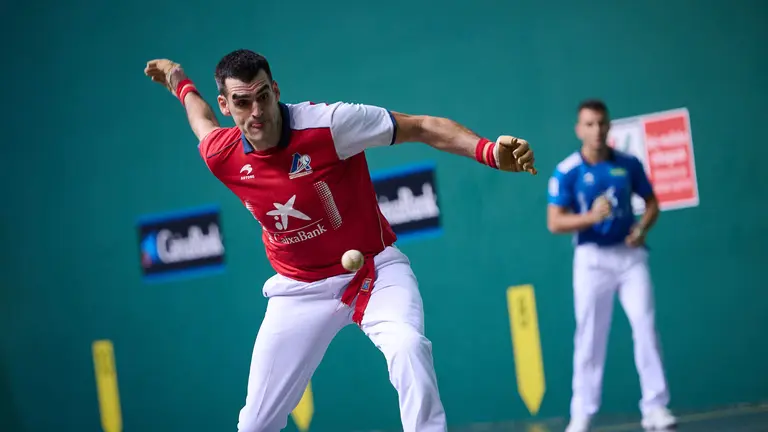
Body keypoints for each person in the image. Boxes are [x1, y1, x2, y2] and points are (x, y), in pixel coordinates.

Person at [144, 49, 537, 432]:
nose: (257, 111)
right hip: (298, 289)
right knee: (256, 423)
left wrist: (486, 151)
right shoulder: (223, 155)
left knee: (407, 345)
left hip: (375, 269)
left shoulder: (330, 124)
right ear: (227, 105)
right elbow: (201, 120)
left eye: (263, 96)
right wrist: (179, 80)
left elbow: (422, 126)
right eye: (243, 102)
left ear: (276, 90)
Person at [546, 99, 677, 432]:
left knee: (646, 327)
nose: (597, 130)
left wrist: (641, 228)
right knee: (589, 336)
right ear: (579, 129)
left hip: (630, 258)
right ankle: (582, 414)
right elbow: (554, 222)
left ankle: (655, 408)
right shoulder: (567, 170)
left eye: (602, 123)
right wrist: (592, 217)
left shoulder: (629, 164)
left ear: (609, 126)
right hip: (591, 260)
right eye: (589, 124)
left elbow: (651, 204)